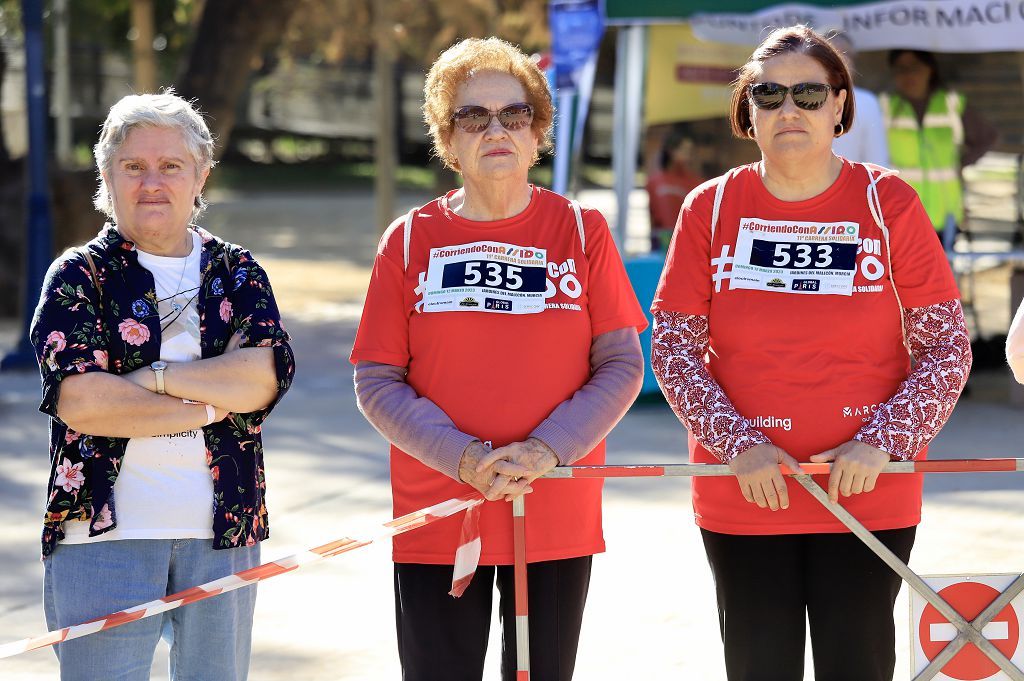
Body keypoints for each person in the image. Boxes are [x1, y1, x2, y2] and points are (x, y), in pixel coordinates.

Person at [651, 26, 971, 681]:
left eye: (807, 93)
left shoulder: (890, 204)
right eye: (769, 94)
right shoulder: (709, 209)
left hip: (867, 489)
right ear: (748, 110)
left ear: (839, 107)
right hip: (746, 489)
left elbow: (945, 347)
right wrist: (736, 441)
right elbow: (675, 348)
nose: (788, 109)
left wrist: (884, 440)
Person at [351, 37, 646, 681]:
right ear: (446, 139)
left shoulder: (580, 230)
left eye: (513, 114)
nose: (495, 129)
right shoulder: (408, 241)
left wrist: (546, 449)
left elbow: (622, 364)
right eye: (471, 116)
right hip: (441, 510)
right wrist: (464, 458)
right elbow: (377, 381)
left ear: (538, 132)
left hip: (552, 506)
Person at [30, 90, 295, 681]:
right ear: (108, 176)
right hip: (101, 539)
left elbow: (262, 378)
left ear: (200, 174)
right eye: (134, 166)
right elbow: (83, 401)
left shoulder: (238, 272)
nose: (153, 182)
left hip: (224, 533)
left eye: (171, 165)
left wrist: (151, 380)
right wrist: (210, 403)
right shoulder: (79, 275)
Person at [881, 49, 997, 246]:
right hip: (897, 213)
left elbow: (987, 137)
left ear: (930, 69)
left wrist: (959, 163)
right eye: (901, 69)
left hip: (944, 213)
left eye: (915, 67)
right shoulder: (883, 106)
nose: (909, 75)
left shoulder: (951, 103)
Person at [827, 31, 889, 166]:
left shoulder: (867, 102)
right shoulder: (803, 99)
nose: (843, 60)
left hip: (856, 186)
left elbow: (877, 162)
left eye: (846, 54)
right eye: (834, 54)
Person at [646, 128, 706, 251]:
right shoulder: (654, 182)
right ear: (671, 150)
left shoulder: (697, 182)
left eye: (690, 150)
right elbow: (652, 215)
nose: (688, 154)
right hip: (660, 241)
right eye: (684, 149)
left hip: (687, 239)